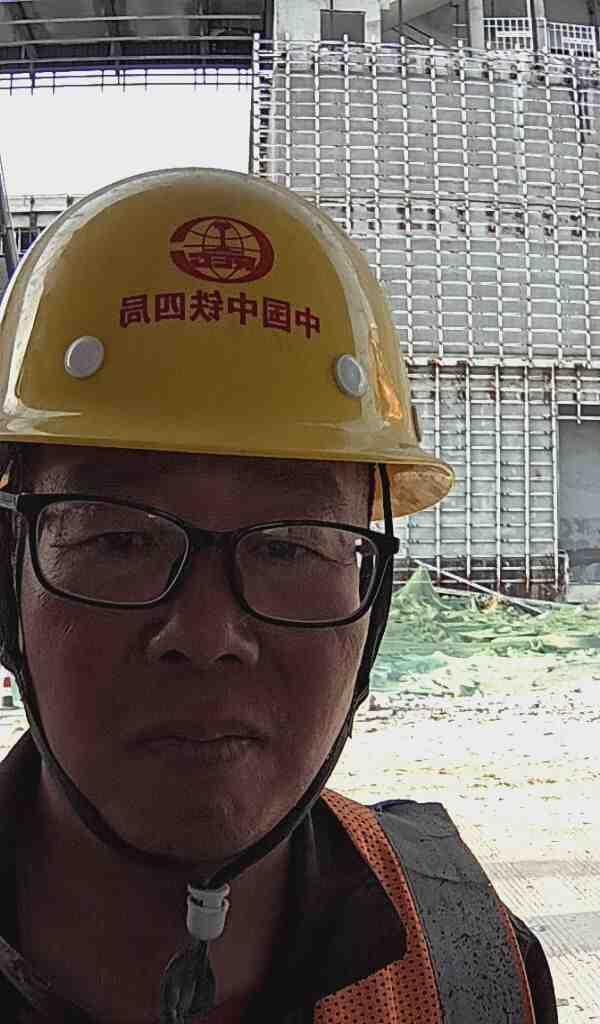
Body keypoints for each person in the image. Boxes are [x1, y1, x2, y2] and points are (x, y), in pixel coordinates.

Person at [0, 168, 557, 1024]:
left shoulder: (473, 971)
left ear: (370, 598)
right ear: (9, 583)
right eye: (118, 539)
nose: (207, 634)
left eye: (291, 545)